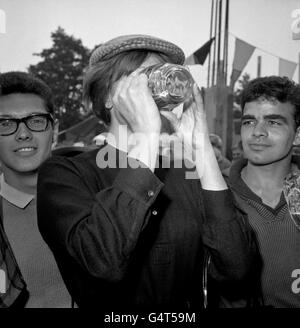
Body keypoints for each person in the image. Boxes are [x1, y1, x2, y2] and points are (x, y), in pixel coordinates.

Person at [37, 34, 257, 310]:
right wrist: (146, 136)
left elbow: (238, 270)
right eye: (144, 79)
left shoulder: (186, 172)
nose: (155, 89)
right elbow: (103, 262)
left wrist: (201, 148)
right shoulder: (66, 172)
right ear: (108, 96)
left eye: (160, 77)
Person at [227, 76, 300, 307]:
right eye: (249, 121)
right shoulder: (215, 195)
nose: (257, 131)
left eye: (273, 122)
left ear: (298, 134)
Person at [0, 71, 71, 307]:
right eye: (6, 123)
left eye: (36, 120)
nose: (23, 134)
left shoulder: (96, 195)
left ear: (55, 129)